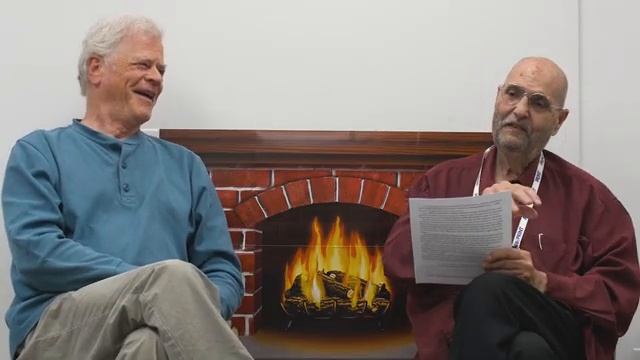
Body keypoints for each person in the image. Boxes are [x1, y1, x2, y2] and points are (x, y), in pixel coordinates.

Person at [2, 15, 253, 359]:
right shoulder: (38, 152)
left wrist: (192, 308)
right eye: (143, 64)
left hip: (156, 326)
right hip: (56, 330)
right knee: (169, 282)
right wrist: (155, 285)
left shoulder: (186, 166)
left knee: (147, 343)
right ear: (96, 69)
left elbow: (223, 271)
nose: (156, 78)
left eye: (161, 70)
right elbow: (38, 254)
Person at [383, 57, 640, 360]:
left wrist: (542, 281)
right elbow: (396, 263)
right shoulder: (440, 181)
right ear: (498, 96)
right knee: (527, 349)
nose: (520, 110)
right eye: (513, 93)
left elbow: (618, 296)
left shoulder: (589, 198)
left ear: (559, 120)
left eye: (539, 103)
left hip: (558, 330)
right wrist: (476, 214)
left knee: (492, 289)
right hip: (459, 339)